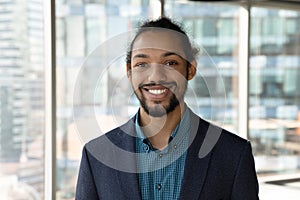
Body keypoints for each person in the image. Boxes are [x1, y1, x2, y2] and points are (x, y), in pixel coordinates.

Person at [75, 17, 259, 200]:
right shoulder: (96, 156)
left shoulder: (233, 154)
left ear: (190, 69)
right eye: (142, 64)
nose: (156, 76)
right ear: (129, 71)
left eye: (170, 63)